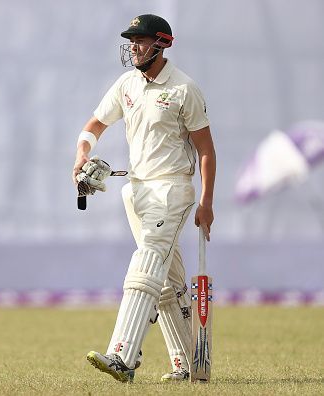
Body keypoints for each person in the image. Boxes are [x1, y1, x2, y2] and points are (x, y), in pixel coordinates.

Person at [72, 14, 216, 383]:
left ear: (162, 43)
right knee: (166, 279)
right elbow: (93, 127)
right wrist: (81, 158)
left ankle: (123, 356)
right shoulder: (126, 85)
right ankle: (187, 365)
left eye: (140, 39)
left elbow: (206, 151)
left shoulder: (184, 89)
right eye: (131, 40)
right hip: (135, 191)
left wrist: (206, 202)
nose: (133, 46)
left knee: (146, 261)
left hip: (172, 189)